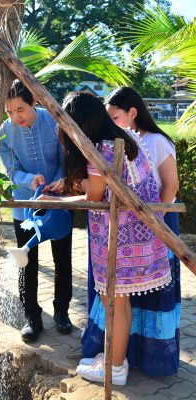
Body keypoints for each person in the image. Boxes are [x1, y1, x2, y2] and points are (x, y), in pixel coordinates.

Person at [39, 91, 172, 385]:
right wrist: (72, 184)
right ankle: (114, 360)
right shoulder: (122, 137)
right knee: (118, 302)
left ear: (81, 125)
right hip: (136, 234)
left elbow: (95, 197)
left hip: (121, 238)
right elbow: (106, 186)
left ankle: (115, 368)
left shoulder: (102, 149)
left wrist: (56, 201)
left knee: (114, 303)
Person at [82, 86, 180, 377]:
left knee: (147, 302)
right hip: (129, 225)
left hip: (155, 222)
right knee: (126, 300)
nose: (110, 123)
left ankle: (142, 361)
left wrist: (152, 223)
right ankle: (124, 356)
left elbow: (170, 186)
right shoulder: (124, 139)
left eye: (114, 117)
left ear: (132, 112)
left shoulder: (157, 141)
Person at [0, 80, 73, 343]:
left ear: (35, 102)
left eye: (20, 109)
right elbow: (12, 169)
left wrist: (56, 183)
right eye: (9, 111)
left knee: (62, 260)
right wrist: (29, 179)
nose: (15, 117)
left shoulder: (54, 121)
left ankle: (62, 312)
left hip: (58, 202)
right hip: (25, 204)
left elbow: (65, 159)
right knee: (26, 261)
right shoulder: (5, 131)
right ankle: (32, 317)